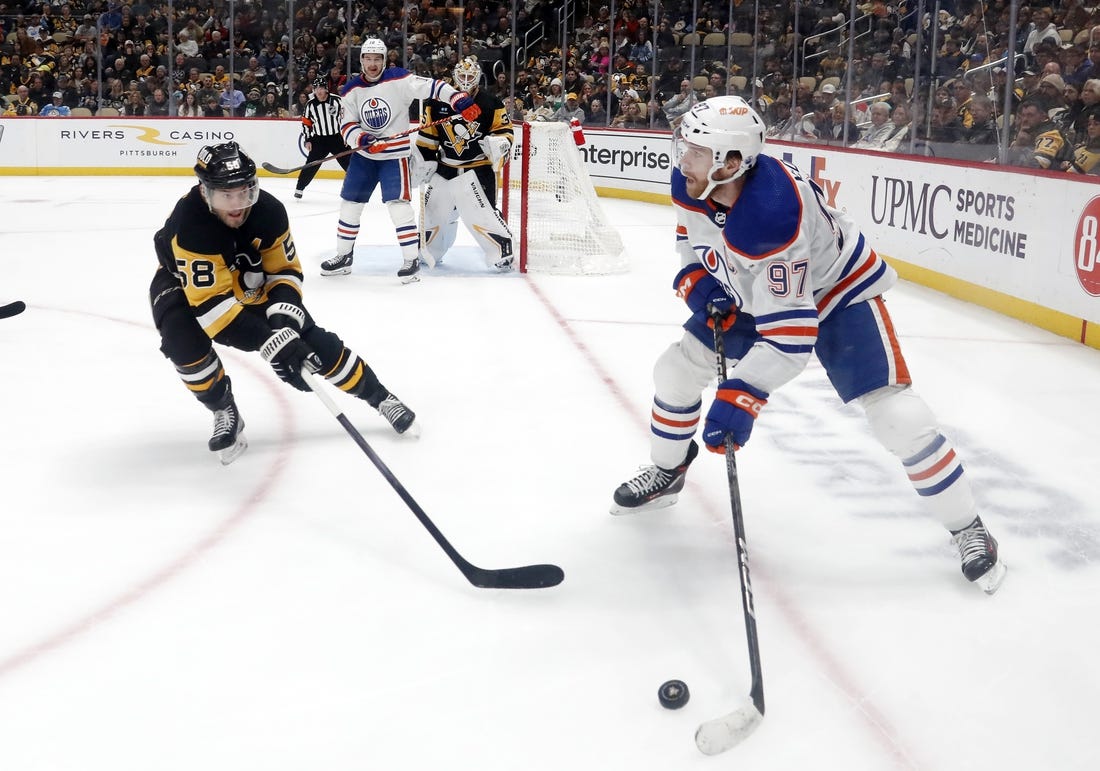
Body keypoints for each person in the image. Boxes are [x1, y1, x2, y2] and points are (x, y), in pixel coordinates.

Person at [610, 96, 1006, 595]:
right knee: (675, 372)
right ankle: (668, 471)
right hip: (756, 286)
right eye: (683, 146)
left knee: (898, 417)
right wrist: (694, 274)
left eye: (693, 149)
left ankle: (968, 526)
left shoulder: (771, 215)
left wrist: (743, 395)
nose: (680, 159)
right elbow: (693, 235)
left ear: (731, 162)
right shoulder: (696, 181)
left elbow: (791, 335)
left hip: (837, 292)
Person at [149, 142, 417, 465]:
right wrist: (269, 342)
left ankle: (380, 396)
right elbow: (213, 311)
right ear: (205, 193)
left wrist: (284, 325)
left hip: (249, 279)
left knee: (309, 339)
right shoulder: (190, 224)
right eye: (225, 196)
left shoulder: (269, 211)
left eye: (244, 192)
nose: (237, 205)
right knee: (181, 340)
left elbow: (285, 273)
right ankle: (223, 407)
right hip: (183, 285)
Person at [319, 38, 480, 283]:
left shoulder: (399, 79)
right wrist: (361, 138)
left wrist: (456, 98)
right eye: (368, 59)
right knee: (350, 205)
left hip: (394, 157)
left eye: (377, 59)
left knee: (399, 207)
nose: (372, 64)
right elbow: (347, 125)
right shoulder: (351, 89)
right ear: (361, 60)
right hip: (365, 158)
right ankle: (344, 257)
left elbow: (432, 87)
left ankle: (410, 260)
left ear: (384, 60)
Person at [415, 57, 514, 271]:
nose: (466, 81)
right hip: (446, 168)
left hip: (478, 168)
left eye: (471, 77)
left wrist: (497, 144)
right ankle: (429, 250)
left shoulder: (492, 103)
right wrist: (424, 161)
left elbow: (505, 132)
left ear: (478, 78)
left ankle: (501, 251)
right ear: (455, 77)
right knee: (434, 212)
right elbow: (427, 137)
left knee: (483, 213)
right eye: (462, 76)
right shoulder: (437, 103)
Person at [294, 77, 350, 199]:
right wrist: (308, 139)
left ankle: (355, 187)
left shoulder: (337, 100)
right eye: (316, 88)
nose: (319, 91)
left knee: (349, 164)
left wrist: (347, 135)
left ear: (326, 89)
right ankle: (300, 187)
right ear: (313, 90)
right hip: (319, 140)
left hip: (337, 139)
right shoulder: (310, 105)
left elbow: (347, 118)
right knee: (311, 165)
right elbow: (306, 123)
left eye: (322, 88)